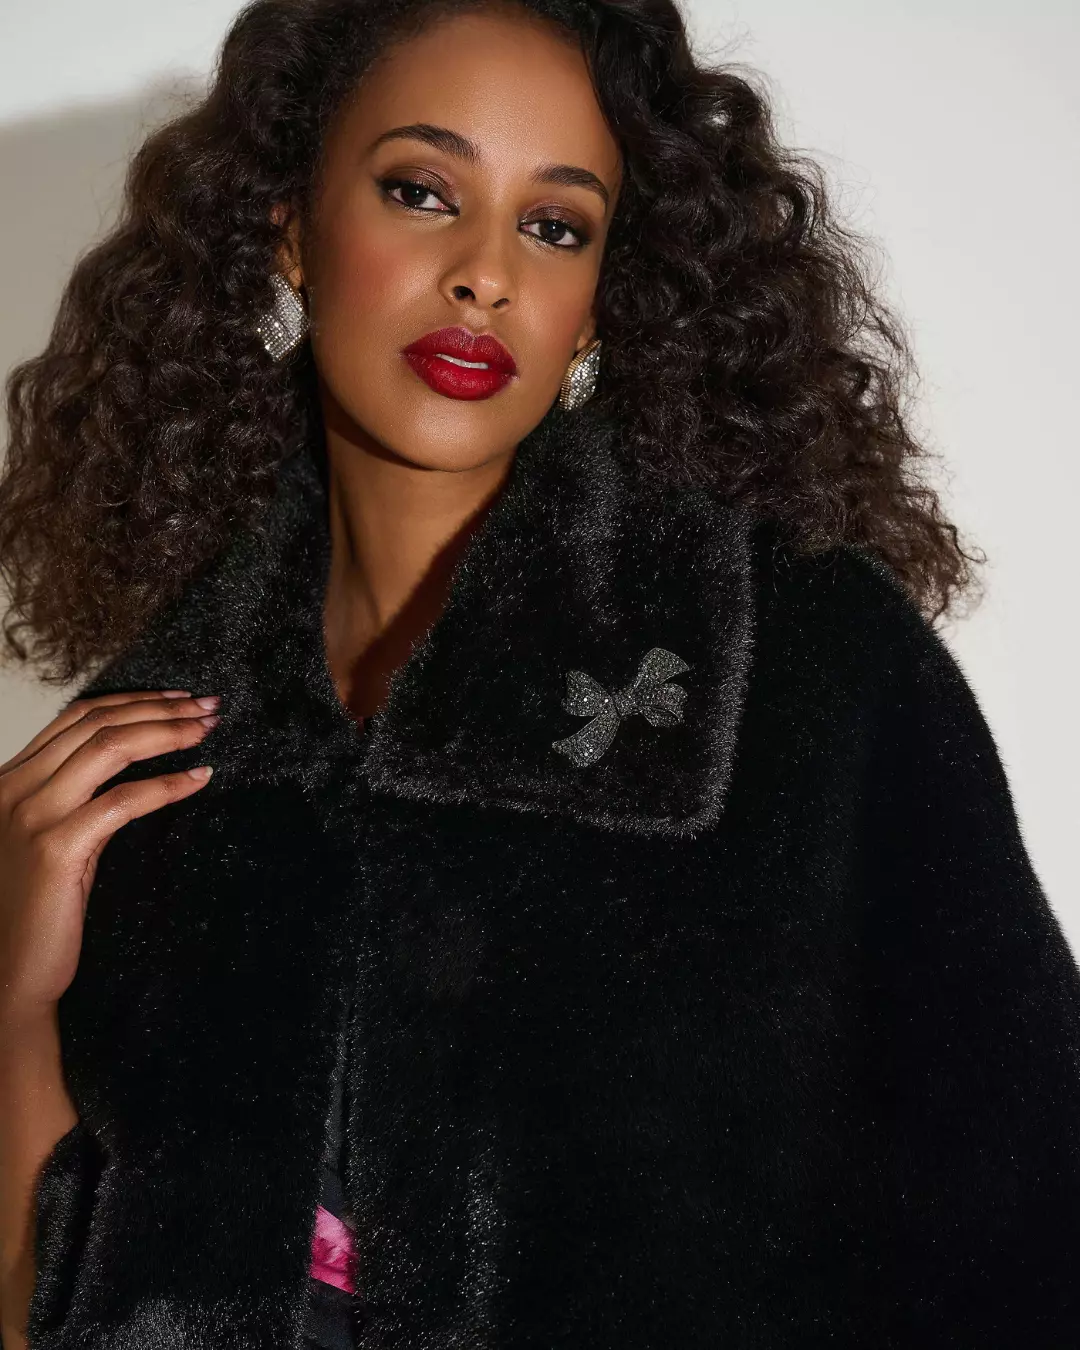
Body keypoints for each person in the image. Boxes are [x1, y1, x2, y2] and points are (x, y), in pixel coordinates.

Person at [1, 0, 1079, 1346]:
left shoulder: (802, 668)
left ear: (596, 308)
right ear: (288, 228)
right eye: (420, 191)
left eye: (556, 225)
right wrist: (12, 997)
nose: (484, 275)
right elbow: (55, 1314)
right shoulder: (140, 753)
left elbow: (1033, 1234)